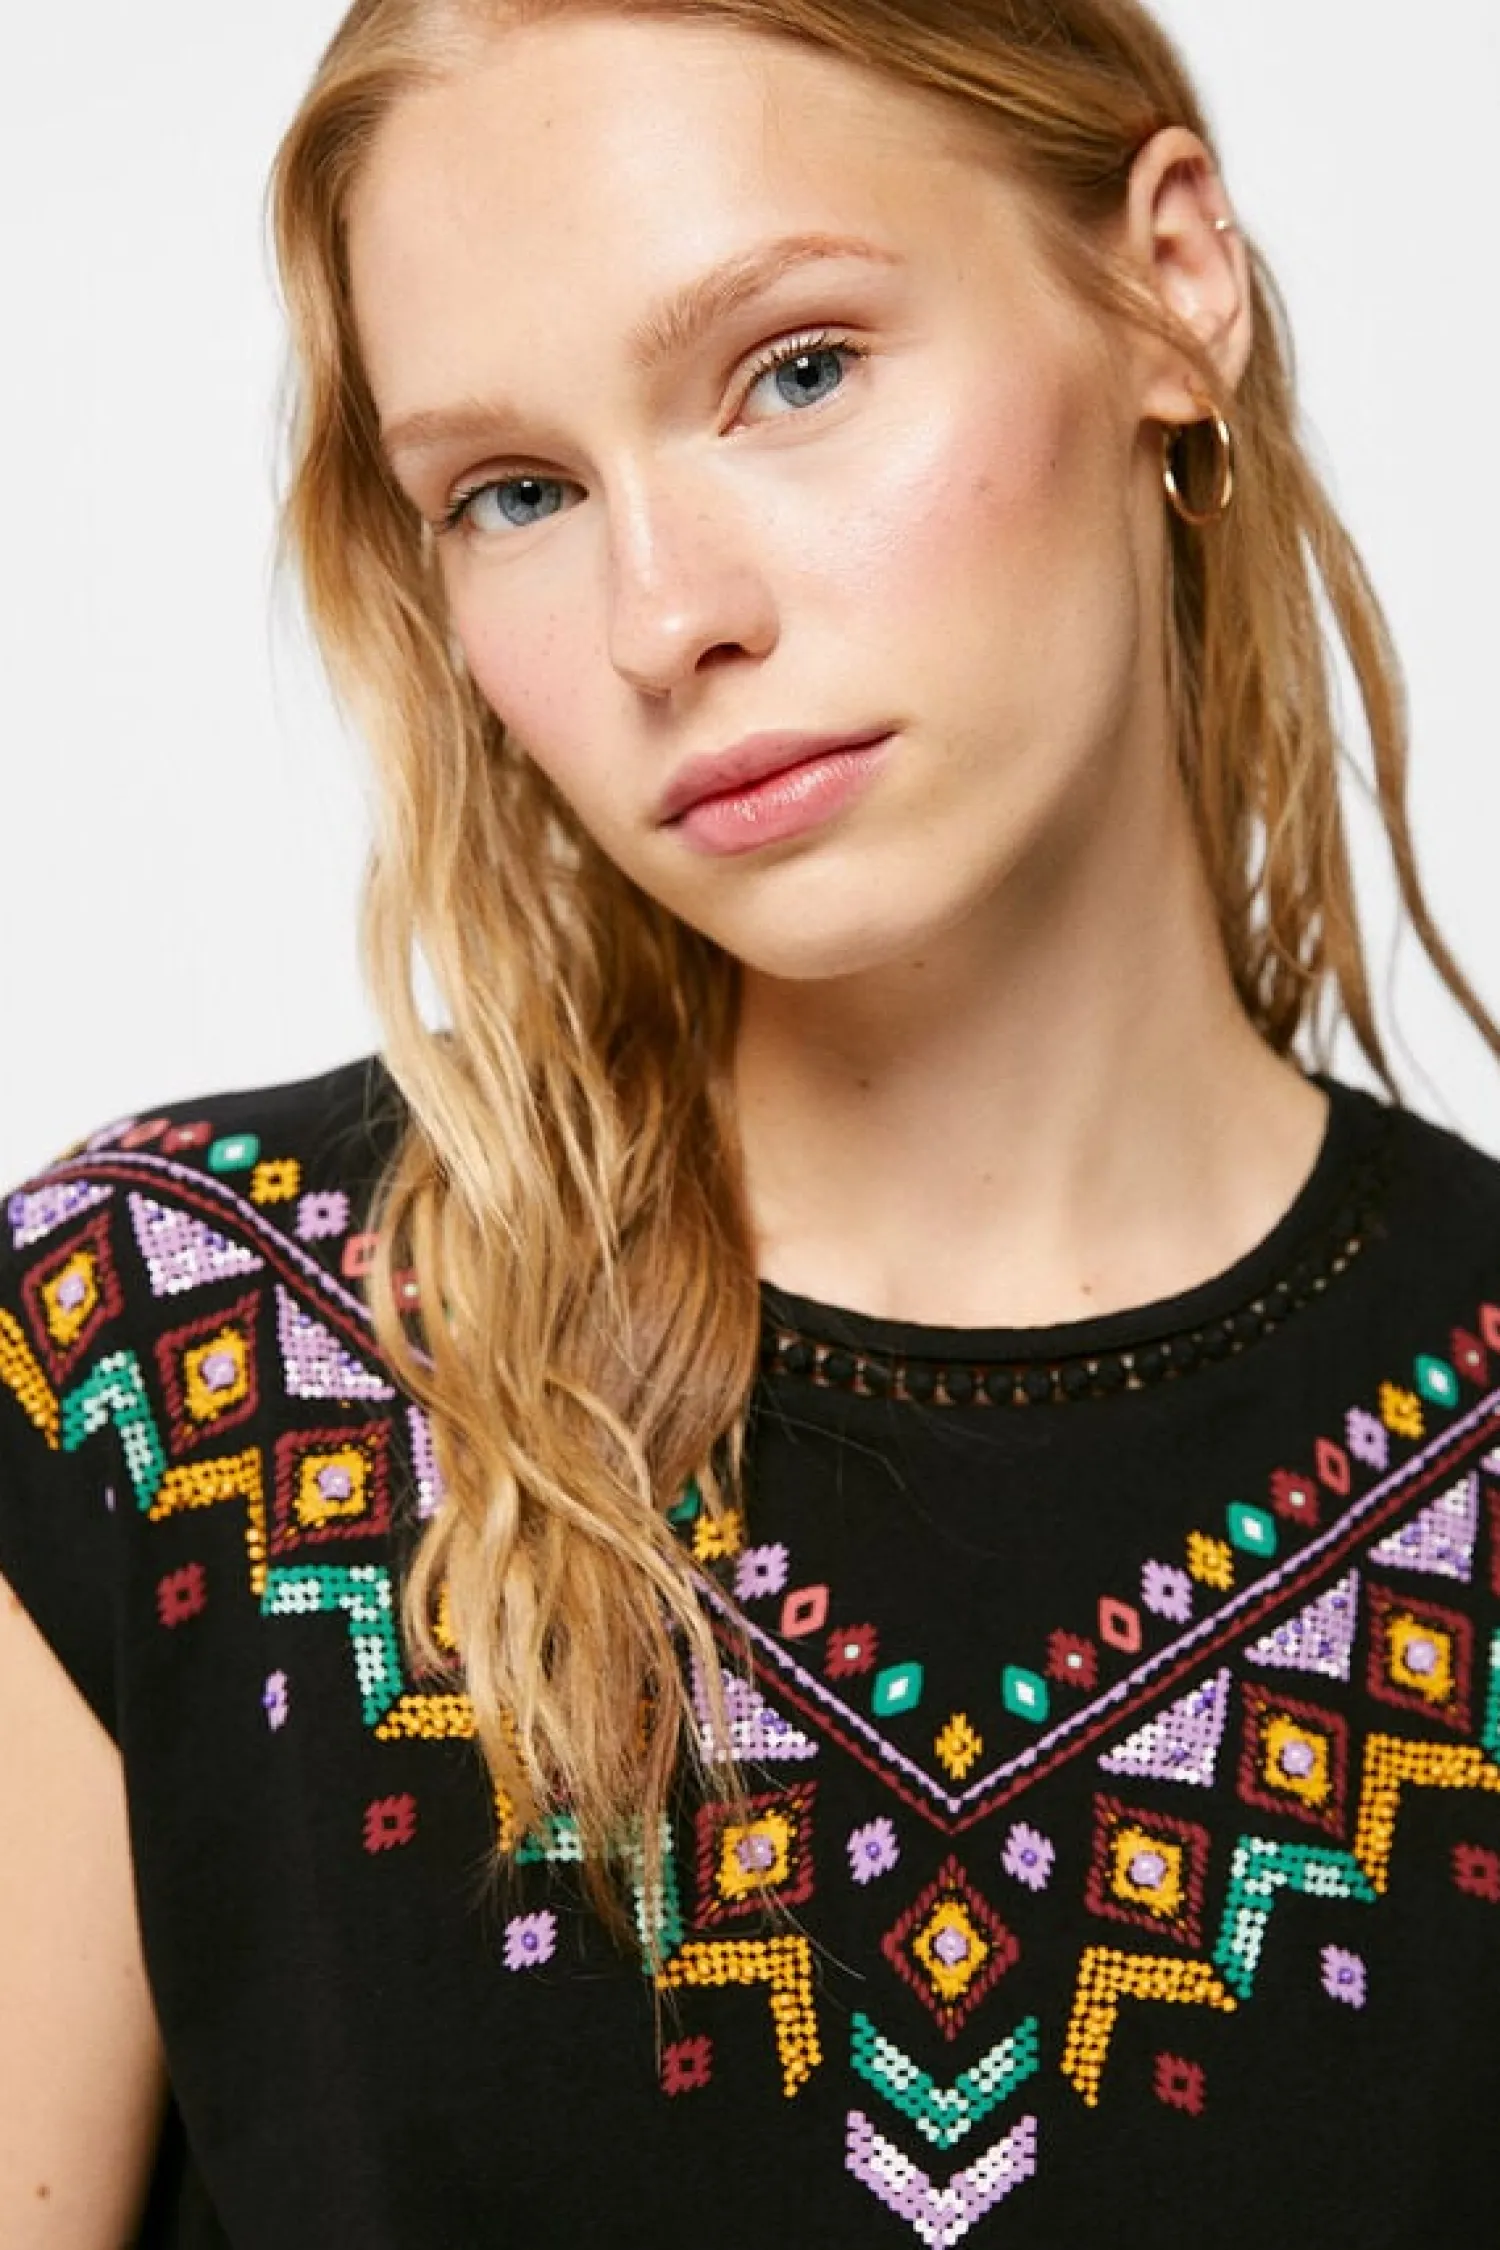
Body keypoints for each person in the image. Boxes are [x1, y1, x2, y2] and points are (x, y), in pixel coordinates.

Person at [3, 0, 1498, 2242]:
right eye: (514, 494)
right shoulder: (160, 1360)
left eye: (795, 372)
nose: (663, 619)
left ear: (1172, 284)